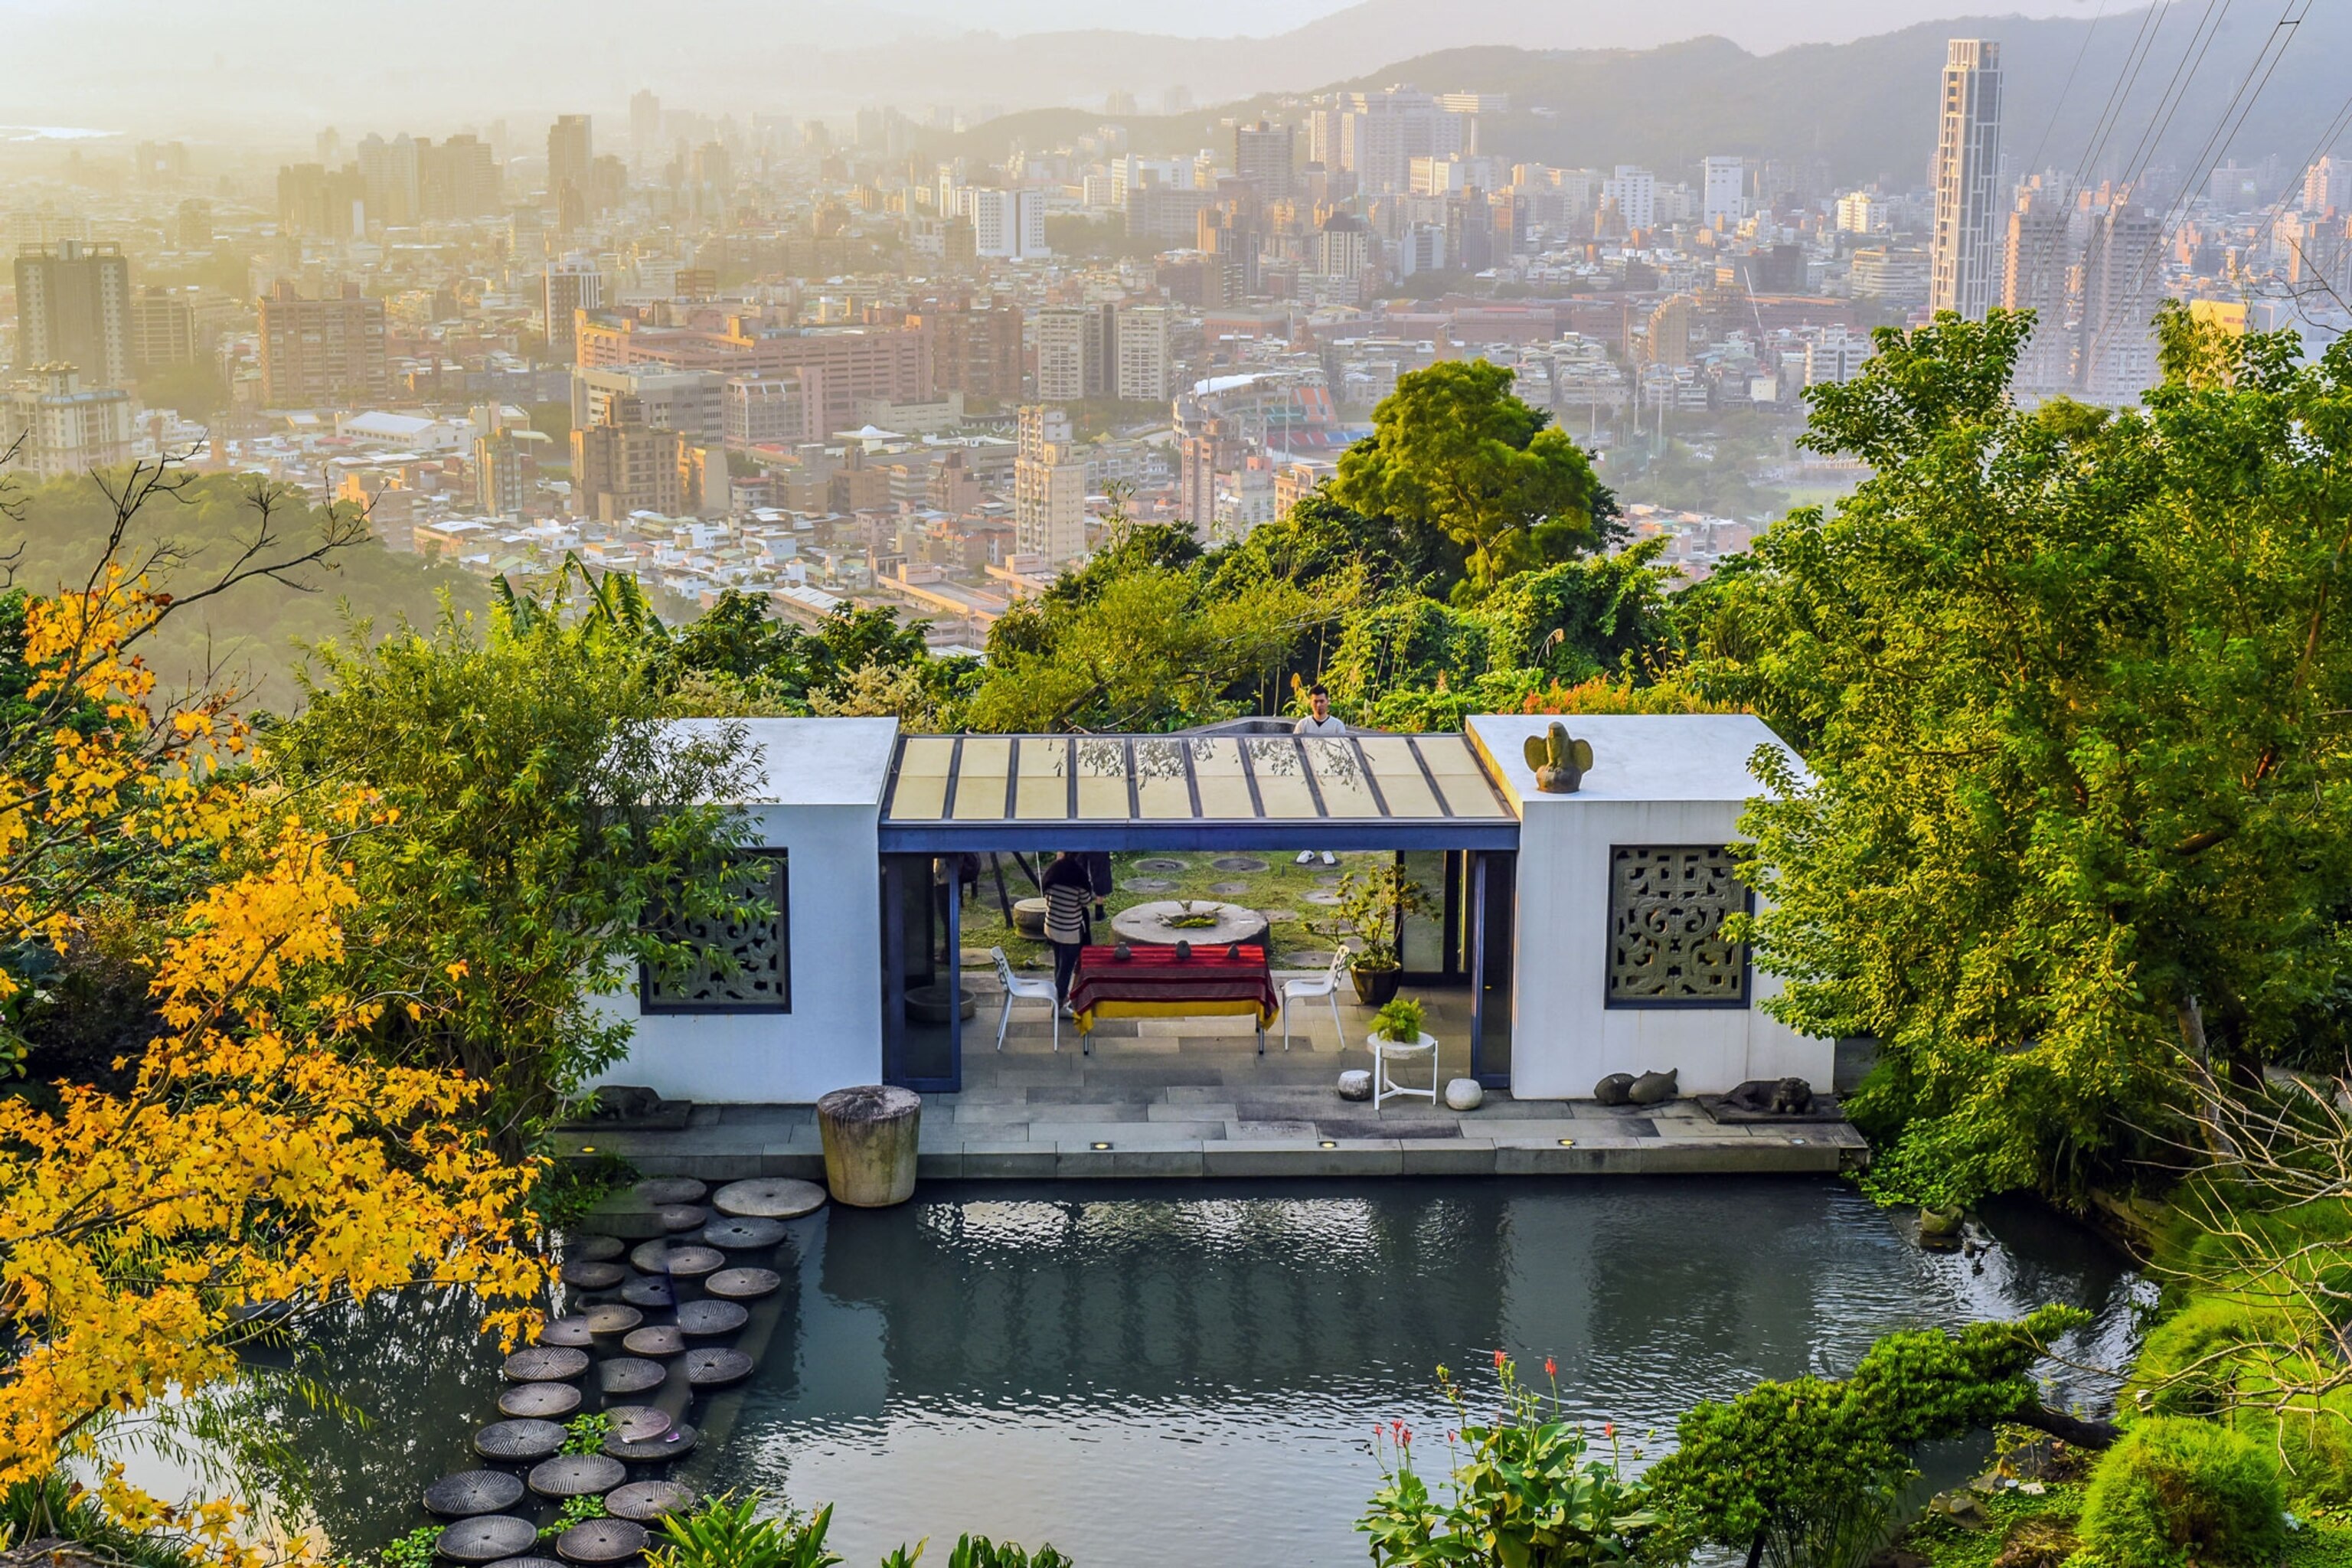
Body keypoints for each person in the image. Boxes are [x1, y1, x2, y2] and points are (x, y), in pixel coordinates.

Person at [1293, 683, 1344, 866]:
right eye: (1315, 702)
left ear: (1328, 702)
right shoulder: (1303, 725)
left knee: (1328, 812)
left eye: (1322, 701)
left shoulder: (1337, 726)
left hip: (1329, 775)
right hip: (1308, 775)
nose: (1318, 705)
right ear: (1310, 702)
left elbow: (1342, 752)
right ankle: (1307, 848)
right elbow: (1295, 750)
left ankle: (1326, 848)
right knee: (1308, 812)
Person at [1041, 850, 1094, 1015]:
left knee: (1059, 965)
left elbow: (1046, 893)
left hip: (1052, 927)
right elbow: (1085, 901)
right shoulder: (1079, 876)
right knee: (1066, 970)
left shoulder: (1053, 871)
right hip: (1069, 931)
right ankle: (1058, 1005)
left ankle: (1058, 999)